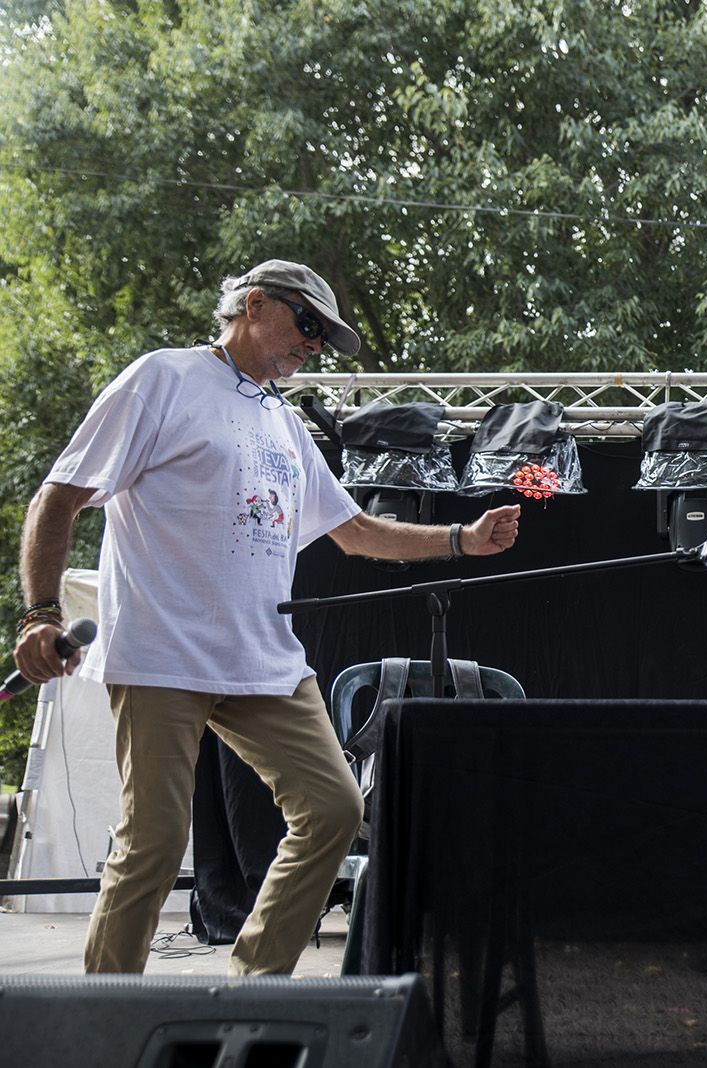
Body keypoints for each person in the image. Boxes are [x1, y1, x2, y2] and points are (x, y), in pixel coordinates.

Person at [10, 260, 522, 976]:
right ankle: (105, 1016)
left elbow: (355, 531)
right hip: (162, 654)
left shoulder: (282, 420)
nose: (313, 346)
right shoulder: (163, 378)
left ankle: (255, 986)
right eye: (308, 325)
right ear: (253, 305)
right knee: (153, 842)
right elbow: (57, 498)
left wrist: (462, 540)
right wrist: (39, 613)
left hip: (264, 663)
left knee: (334, 810)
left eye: (324, 337)